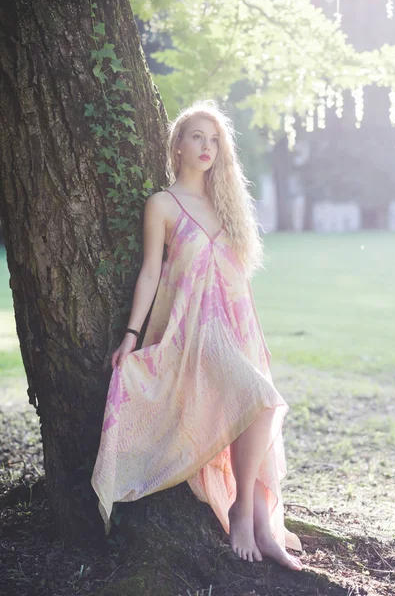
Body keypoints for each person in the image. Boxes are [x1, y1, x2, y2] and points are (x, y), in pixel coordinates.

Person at [91, 100, 303, 570]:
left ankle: (257, 519)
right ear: (178, 145)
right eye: (197, 137)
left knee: (261, 405)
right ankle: (245, 515)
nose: (207, 147)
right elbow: (150, 274)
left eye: (215, 140)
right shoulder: (162, 205)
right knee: (261, 399)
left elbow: (238, 281)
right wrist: (131, 334)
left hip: (239, 329)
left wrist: (258, 338)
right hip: (194, 334)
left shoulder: (227, 204)